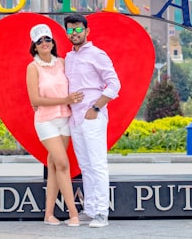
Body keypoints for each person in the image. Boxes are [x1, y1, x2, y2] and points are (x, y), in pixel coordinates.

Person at [64, 15, 120, 228]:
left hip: (92, 116)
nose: (74, 33)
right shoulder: (68, 58)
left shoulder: (97, 55)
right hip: (75, 117)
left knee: (97, 165)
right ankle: (90, 208)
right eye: (70, 30)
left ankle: (101, 213)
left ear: (87, 31)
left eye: (78, 29)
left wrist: (96, 107)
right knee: (85, 166)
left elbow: (114, 84)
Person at [26, 24, 83, 227]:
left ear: (53, 42)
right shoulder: (33, 68)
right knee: (63, 164)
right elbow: (35, 99)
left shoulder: (61, 62)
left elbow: (74, 85)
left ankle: (48, 214)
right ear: (34, 46)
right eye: (39, 41)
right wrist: (65, 99)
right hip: (46, 121)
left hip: (64, 119)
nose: (44, 44)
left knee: (53, 166)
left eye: (47, 39)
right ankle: (74, 212)